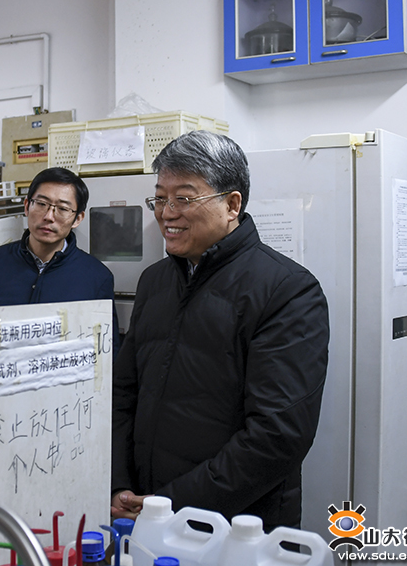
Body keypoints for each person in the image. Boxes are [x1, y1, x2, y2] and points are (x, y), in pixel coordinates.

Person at [111, 130, 329, 531]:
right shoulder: (154, 282)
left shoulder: (287, 290)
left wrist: (173, 504)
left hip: (237, 526)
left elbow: (278, 436)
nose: (166, 213)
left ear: (232, 204)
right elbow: (123, 393)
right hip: (143, 512)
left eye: (184, 199)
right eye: (159, 199)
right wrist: (118, 483)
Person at [0, 167, 119, 352]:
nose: (48, 217)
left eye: (62, 209)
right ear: (26, 206)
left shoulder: (97, 277)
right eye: (41, 204)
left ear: (77, 218)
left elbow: (107, 349)